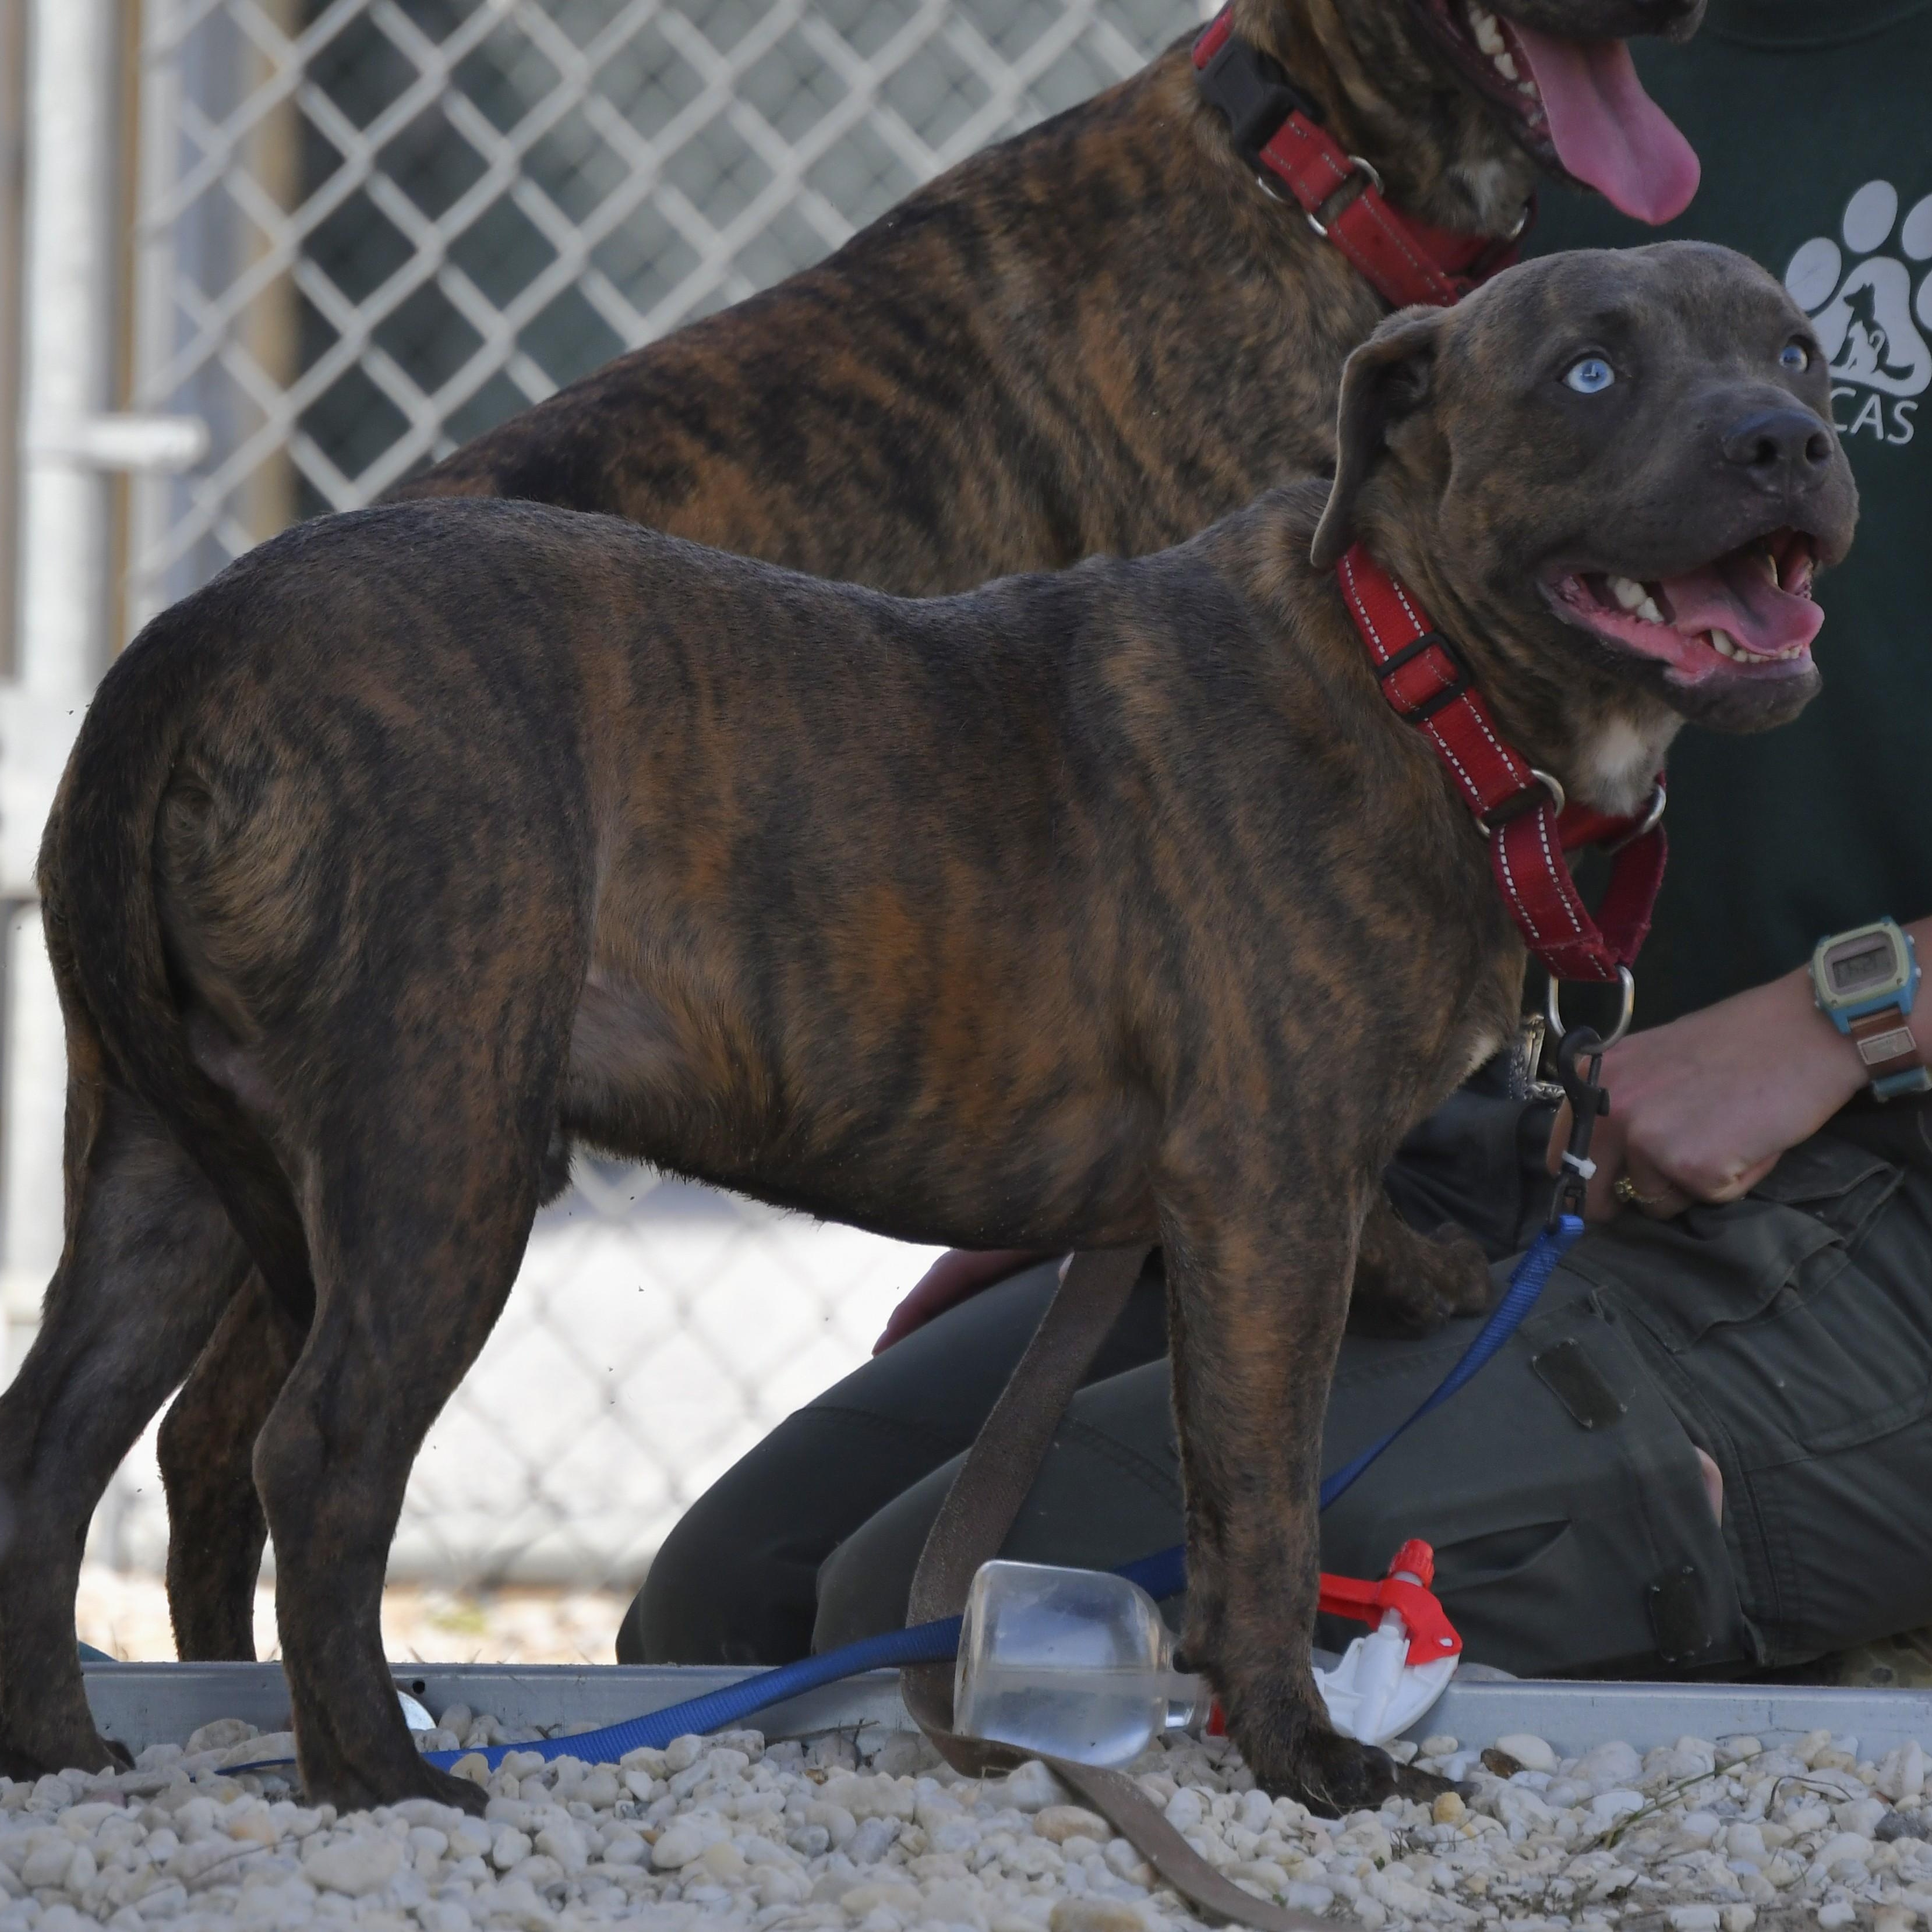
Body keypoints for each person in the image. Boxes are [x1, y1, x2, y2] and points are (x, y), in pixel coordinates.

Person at [621, 0, 1932, 1686]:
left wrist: (1847, 1013)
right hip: (1505, 1136)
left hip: (1880, 1185)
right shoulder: (1533, 83)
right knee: (728, 1599)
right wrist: (1158, 1076)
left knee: (951, 1618)